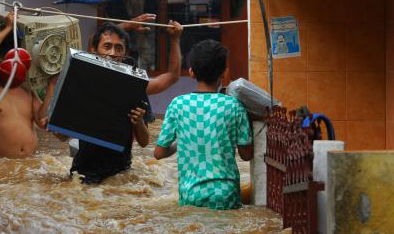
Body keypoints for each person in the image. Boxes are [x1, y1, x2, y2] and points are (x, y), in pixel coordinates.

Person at [43, 20, 183, 184]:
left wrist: (175, 40)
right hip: (82, 174)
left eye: (119, 48)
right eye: (107, 46)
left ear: (125, 53)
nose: (112, 53)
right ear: (94, 50)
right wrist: (53, 124)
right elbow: (62, 136)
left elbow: (144, 142)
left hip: (120, 176)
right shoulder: (83, 85)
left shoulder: (133, 87)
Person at [153, 39, 253, 210]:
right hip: (227, 194)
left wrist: (181, 141)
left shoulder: (178, 104)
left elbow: (159, 153)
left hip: (191, 194)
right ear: (224, 73)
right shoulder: (234, 106)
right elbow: (246, 155)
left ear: (191, 72)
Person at [0, 12, 49, 158]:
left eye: (7, 62)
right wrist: (7, 28)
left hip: (30, 166)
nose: (3, 68)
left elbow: (43, 122)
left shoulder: (26, 91)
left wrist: (51, 84)